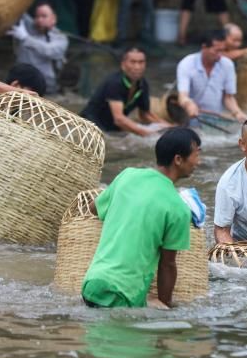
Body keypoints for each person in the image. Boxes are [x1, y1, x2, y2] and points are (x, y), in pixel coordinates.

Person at [82, 127, 201, 309]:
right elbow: (167, 265)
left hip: (92, 283)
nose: (198, 162)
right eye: (196, 155)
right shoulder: (178, 209)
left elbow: (93, 209)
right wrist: (167, 306)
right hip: (124, 293)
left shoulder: (127, 176)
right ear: (178, 159)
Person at [81, 47, 170, 136]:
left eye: (141, 62)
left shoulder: (142, 85)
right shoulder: (114, 83)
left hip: (112, 128)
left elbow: (145, 115)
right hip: (89, 127)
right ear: (123, 65)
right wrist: (144, 133)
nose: (137, 67)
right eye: (133, 62)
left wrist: (169, 127)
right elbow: (119, 119)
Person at [176, 30, 247, 122]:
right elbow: (182, 96)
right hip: (190, 117)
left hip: (216, 117)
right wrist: (188, 104)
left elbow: (228, 97)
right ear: (204, 47)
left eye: (223, 50)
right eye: (217, 51)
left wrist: (237, 113)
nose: (220, 55)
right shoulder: (186, 64)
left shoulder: (227, 65)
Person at [9, 3, 69, 95]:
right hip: (20, 83)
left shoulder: (60, 38)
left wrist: (25, 38)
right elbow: (20, 12)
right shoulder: (30, 28)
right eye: (37, 16)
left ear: (53, 18)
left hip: (46, 87)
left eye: (44, 16)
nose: (39, 19)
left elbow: (49, 50)